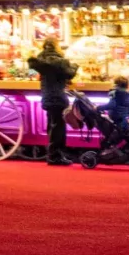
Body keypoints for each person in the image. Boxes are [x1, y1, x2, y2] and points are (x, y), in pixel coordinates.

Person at [26, 37, 78, 166]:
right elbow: (70, 74)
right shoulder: (61, 62)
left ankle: (53, 154)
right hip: (58, 96)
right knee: (58, 128)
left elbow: (33, 72)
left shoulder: (40, 61)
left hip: (47, 96)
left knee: (53, 126)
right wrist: (76, 66)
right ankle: (55, 156)